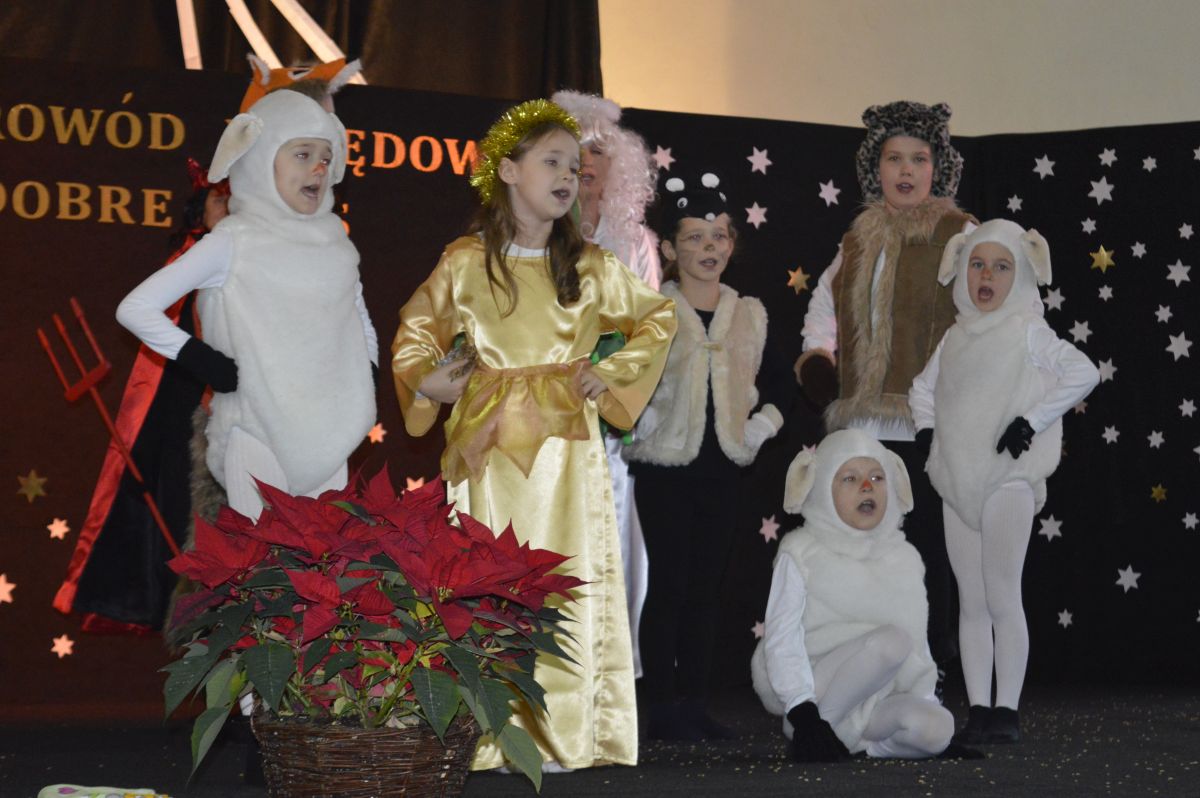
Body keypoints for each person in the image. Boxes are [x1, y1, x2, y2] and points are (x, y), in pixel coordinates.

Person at [390, 99, 677, 771]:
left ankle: (564, 732)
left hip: (566, 458)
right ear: (508, 171)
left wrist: (611, 372)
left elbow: (657, 318)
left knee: (565, 578)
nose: (569, 177)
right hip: (486, 451)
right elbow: (415, 332)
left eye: (576, 168)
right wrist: (428, 381)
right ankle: (487, 731)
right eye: (553, 162)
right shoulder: (465, 262)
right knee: (484, 578)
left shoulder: (591, 266)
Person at [116, 90, 378, 521]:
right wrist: (202, 359)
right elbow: (136, 307)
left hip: (330, 434)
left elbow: (358, 315)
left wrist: (365, 371)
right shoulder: (233, 242)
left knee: (322, 556)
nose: (318, 168)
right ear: (259, 159)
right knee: (262, 558)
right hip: (256, 432)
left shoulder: (335, 243)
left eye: (326, 158)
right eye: (302, 154)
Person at [795, 101, 974, 677]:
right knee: (865, 545)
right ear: (876, 169)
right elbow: (825, 303)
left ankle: (931, 663)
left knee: (926, 547)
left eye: (919, 159)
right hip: (863, 428)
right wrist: (819, 358)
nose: (906, 170)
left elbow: (983, 313)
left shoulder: (959, 234)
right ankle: (870, 664)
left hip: (926, 422)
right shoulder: (857, 238)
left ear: (937, 168)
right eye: (894, 158)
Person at [909, 220, 1099, 744]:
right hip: (958, 483)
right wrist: (927, 432)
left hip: (1008, 481)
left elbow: (1083, 372)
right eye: (977, 264)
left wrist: (1030, 423)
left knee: (1001, 595)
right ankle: (978, 707)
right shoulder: (955, 337)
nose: (986, 276)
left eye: (1001, 266)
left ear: (1021, 276)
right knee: (971, 601)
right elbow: (922, 389)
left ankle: (1007, 709)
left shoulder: (1027, 330)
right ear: (962, 271)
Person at [624, 172, 791, 740]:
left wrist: (759, 428)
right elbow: (623, 378)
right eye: (694, 237)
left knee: (705, 588)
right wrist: (642, 419)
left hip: (723, 469)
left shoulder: (750, 314)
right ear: (670, 249)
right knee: (669, 584)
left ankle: (695, 702)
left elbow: (777, 385)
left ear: (732, 244)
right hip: (665, 468)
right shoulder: (651, 312)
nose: (708, 248)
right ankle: (661, 706)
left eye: (718, 236)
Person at [53, 159, 229, 632]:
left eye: (237, 201)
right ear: (200, 207)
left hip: (232, 409)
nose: (228, 210)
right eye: (219, 199)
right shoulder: (189, 258)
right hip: (179, 409)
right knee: (173, 510)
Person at [750, 429, 956, 760]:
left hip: (877, 697)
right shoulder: (802, 550)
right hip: (813, 690)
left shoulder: (903, 556)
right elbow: (782, 638)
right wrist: (803, 710)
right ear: (822, 487)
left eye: (877, 477)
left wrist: (926, 700)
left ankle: (856, 746)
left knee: (939, 728)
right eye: (850, 478)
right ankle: (816, 730)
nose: (866, 487)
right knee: (893, 642)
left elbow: (919, 642)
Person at [551, 89, 662, 677]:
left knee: (612, 527)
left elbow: (652, 327)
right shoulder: (535, 232)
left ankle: (610, 672)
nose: (586, 161)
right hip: (544, 410)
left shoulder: (635, 239)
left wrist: (616, 382)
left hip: (610, 417)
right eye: (575, 149)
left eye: (597, 150)